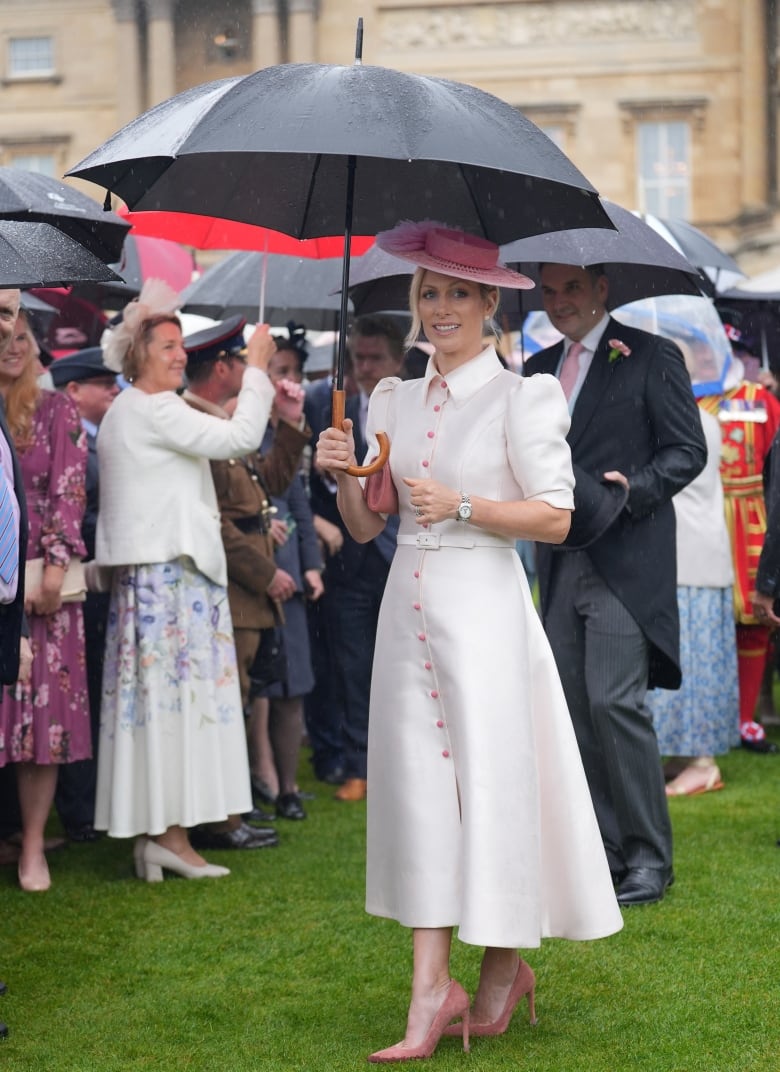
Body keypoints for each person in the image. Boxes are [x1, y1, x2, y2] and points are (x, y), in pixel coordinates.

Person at [316, 221, 622, 1063]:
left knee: (489, 787)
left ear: (490, 303)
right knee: (417, 793)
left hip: (484, 613)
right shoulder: (391, 400)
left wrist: (461, 505)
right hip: (404, 614)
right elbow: (367, 520)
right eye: (428, 291)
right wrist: (343, 474)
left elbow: (557, 516)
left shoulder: (524, 397)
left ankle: (499, 968)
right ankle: (429, 990)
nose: (439, 307)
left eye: (457, 292)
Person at [525, 262, 708, 907]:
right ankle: (601, 852)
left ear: (602, 288)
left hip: (627, 561)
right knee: (573, 710)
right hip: (558, 557)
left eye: (571, 287)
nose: (559, 301)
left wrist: (635, 490)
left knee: (614, 704)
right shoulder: (534, 367)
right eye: (548, 291)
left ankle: (649, 860)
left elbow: (687, 450)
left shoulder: (653, 355)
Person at [93, 281, 278, 881]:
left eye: (179, 345)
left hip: (153, 586)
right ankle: (170, 838)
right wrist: (256, 370)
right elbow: (241, 438)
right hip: (173, 585)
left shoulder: (132, 409)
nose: (180, 355)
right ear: (137, 355)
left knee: (158, 713)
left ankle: (162, 836)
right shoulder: (155, 409)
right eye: (168, 346)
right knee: (179, 711)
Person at [181, 315, 310, 848]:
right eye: (241, 362)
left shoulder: (215, 422)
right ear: (222, 367)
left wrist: (290, 421)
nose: (245, 370)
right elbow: (216, 520)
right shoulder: (198, 424)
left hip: (245, 590)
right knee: (227, 703)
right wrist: (266, 573)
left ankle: (231, 812)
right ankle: (221, 820)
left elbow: (268, 484)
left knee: (237, 700)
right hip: (233, 589)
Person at [0, 304, 90, 893]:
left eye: (21, 334)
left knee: (42, 727)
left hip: (45, 589)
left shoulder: (58, 408)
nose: (12, 343)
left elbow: (68, 488)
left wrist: (55, 569)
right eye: (1, 334)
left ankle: (34, 845)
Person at [308, 314, 404, 801]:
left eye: (375, 358)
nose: (365, 367)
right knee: (352, 664)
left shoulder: (405, 407)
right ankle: (358, 763)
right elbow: (307, 476)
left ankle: (400, 761)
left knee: (403, 666)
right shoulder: (324, 403)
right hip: (348, 559)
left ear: (397, 361)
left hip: (401, 556)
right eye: (358, 358)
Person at [645, 408, 740, 793]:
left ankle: (703, 762)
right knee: (693, 660)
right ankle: (689, 754)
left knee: (693, 662)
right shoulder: (705, 419)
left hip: (689, 557)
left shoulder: (682, 420)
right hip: (698, 554)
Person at [48, 347, 120, 842]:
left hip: (95, 579)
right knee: (78, 693)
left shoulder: (106, 438)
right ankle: (78, 810)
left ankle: (87, 806)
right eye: (102, 384)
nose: (114, 390)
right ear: (73, 391)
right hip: (77, 576)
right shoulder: (73, 440)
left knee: (92, 691)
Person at [698, 323, 780, 752]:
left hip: (753, 516)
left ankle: (746, 718)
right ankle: (711, 716)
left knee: (755, 620)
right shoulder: (691, 399)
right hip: (703, 517)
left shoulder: (763, 402)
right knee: (705, 620)